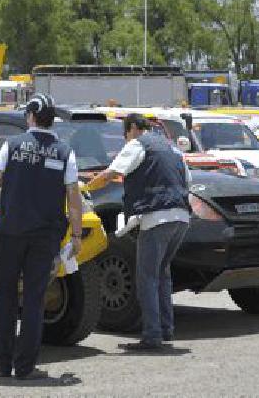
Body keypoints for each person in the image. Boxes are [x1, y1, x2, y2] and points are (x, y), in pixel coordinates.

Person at [0, 93, 84, 380]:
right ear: (52, 119)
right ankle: (25, 367)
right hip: (46, 236)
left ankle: (1, 365)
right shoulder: (65, 152)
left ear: (30, 116)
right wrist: (76, 236)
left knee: (5, 298)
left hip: (11, 232)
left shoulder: (11, 145)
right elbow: (74, 199)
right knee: (35, 300)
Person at [83, 113, 191, 351]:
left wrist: (85, 187)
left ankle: (152, 336)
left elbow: (112, 173)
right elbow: (187, 182)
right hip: (181, 217)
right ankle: (165, 329)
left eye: (125, 134)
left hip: (157, 217)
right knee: (162, 274)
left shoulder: (137, 144)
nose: (125, 139)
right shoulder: (173, 149)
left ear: (132, 128)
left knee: (147, 278)